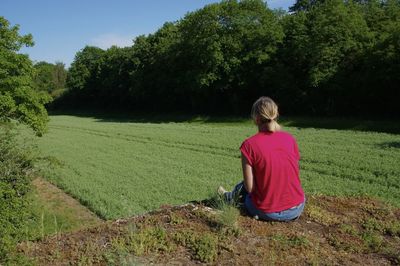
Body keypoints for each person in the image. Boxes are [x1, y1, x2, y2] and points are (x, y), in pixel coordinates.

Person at [218, 96, 305, 221]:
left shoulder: (249, 145)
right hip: (297, 207)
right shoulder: (290, 139)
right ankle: (229, 195)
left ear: (256, 119)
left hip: (268, 212)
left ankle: (228, 197)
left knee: (243, 188)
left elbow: (250, 188)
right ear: (276, 114)